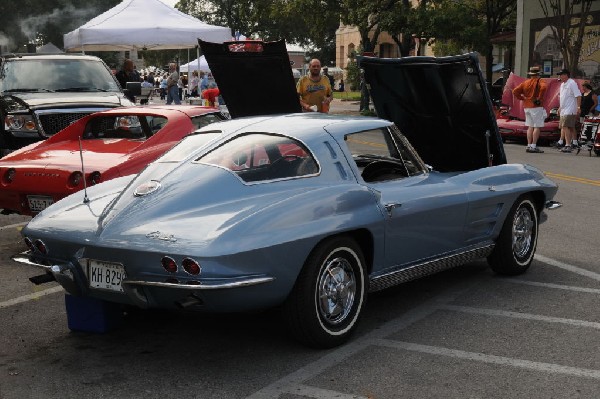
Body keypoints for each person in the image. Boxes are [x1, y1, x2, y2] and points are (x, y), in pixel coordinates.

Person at [512, 66, 547, 153]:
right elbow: (543, 87)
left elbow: (515, 91)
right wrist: (539, 97)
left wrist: (521, 98)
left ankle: (528, 145)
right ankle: (534, 145)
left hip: (527, 106)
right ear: (538, 74)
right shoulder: (540, 81)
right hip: (536, 106)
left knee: (530, 126)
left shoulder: (526, 82)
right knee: (537, 126)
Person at [556, 68, 581, 153]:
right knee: (566, 127)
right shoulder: (562, 84)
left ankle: (568, 145)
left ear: (566, 75)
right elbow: (563, 98)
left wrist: (578, 107)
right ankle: (569, 143)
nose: (560, 76)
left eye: (561, 75)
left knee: (566, 127)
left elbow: (578, 95)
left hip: (570, 109)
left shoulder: (572, 83)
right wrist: (560, 108)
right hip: (564, 109)